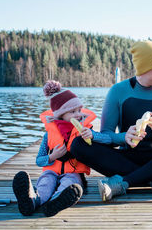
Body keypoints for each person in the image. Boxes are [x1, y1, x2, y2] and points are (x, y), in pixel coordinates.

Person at [70, 40, 152, 201]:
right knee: (78, 145)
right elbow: (105, 135)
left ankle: (125, 182)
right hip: (125, 158)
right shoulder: (118, 91)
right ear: (143, 68)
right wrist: (124, 137)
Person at [12, 80, 111, 216]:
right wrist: (52, 156)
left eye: (78, 110)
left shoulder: (85, 129)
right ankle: (33, 200)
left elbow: (108, 140)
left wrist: (93, 135)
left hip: (73, 173)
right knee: (46, 183)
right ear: (60, 115)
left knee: (70, 184)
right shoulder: (49, 134)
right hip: (51, 171)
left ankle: (55, 203)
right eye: (72, 112)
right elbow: (39, 161)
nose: (78, 115)